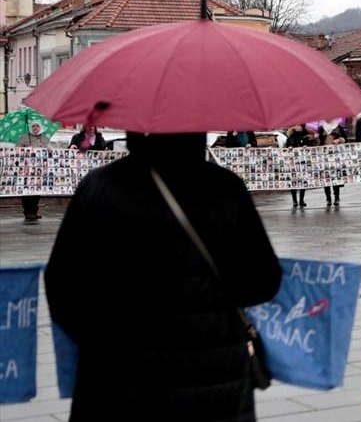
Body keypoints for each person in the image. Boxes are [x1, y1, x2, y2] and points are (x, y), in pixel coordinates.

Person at [45, 132, 282, 421]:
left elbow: (61, 282)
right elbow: (263, 281)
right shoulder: (225, 187)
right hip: (215, 376)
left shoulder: (100, 187)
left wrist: (99, 338)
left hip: (118, 373)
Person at [17, 121, 50, 221]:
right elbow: (17, 149)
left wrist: (49, 148)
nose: (35, 127)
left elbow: (49, 150)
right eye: (33, 126)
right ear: (31, 127)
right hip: (27, 168)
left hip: (39, 168)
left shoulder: (44, 138)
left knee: (37, 191)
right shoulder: (24, 137)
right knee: (27, 190)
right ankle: (27, 211)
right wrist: (26, 148)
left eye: (37, 126)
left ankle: (34, 211)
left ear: (40, 127)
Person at [285, 125, 310, 207]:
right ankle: (294, 201)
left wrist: (307, 146)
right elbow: (286, 148)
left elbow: (312, 146)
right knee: (293, 181)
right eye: (295, 125)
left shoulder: (306, 136)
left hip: (303, 161)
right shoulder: (290, 137)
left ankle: (301, 200)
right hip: (293, 162)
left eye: (299, 125)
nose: (297, 127)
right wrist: (289, 148)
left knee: (303, 180)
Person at [322, 126, 345, 206]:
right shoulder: (321, 127)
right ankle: (328, 198)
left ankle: (337, 198)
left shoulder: (338, 127)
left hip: (335, 156)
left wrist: (339, 140)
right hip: (324, 156)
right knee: (326, 179)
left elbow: (344, 139)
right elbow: (318, 141)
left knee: (336, 179)